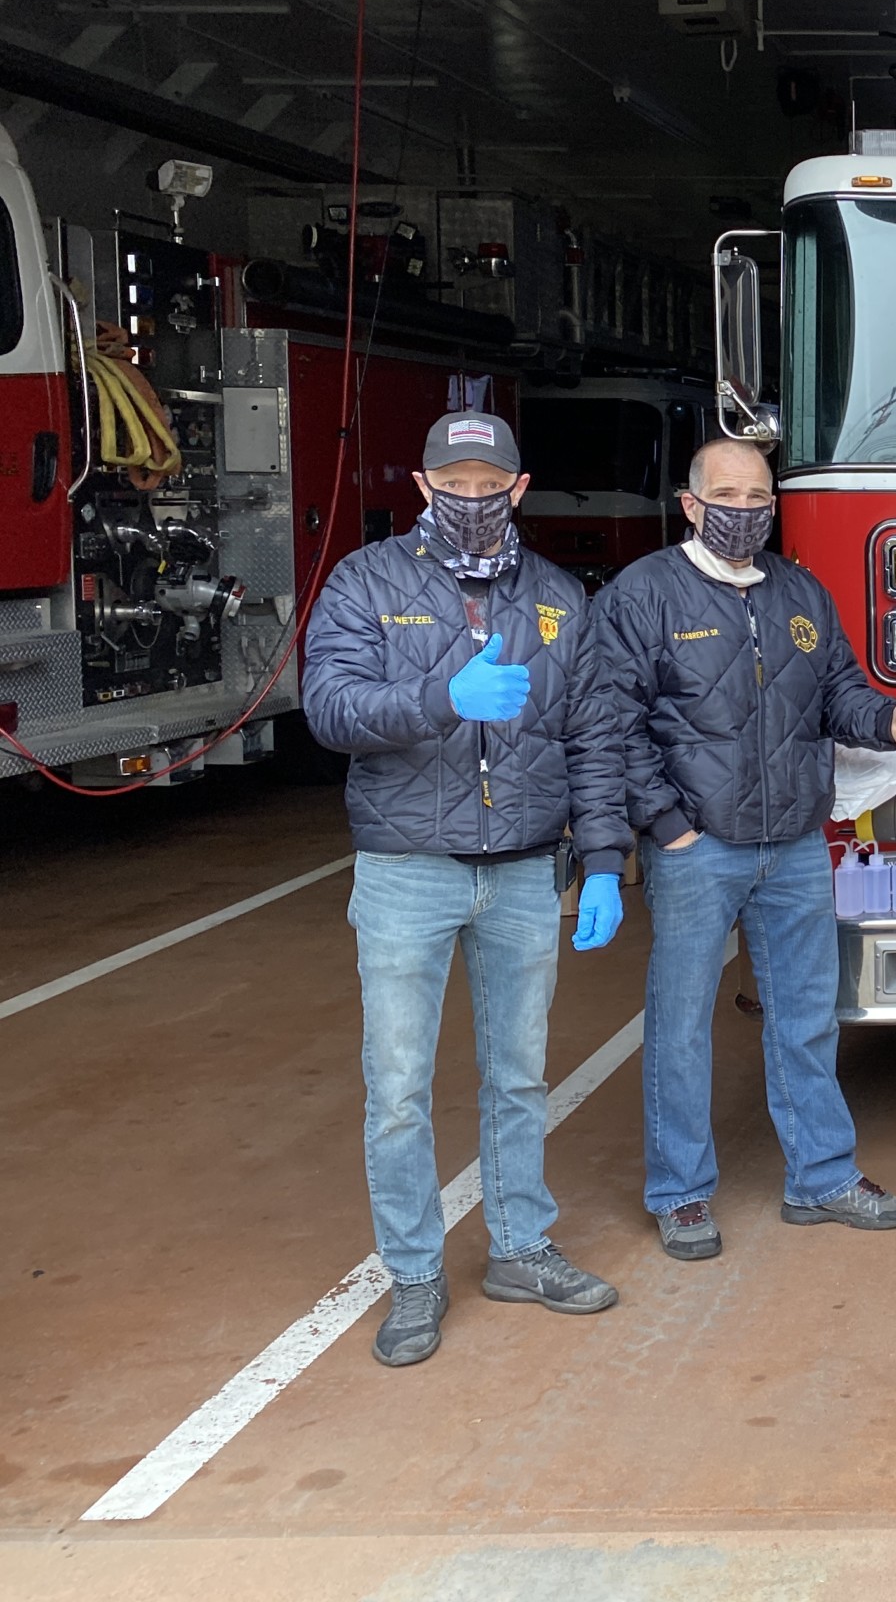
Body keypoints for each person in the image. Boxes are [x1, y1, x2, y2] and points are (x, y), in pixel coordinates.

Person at [303, 410, 632, 1368]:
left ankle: (520, 1247)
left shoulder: (562, 601)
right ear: (421, 485)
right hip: (408, 872)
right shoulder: (366, 583)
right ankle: (413, 1273)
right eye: (457, 484)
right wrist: (439, 699)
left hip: (526, 871)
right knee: (399, 1089)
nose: (474, 500)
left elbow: (595, 739)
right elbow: (329, 708)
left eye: (492, 486)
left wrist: (603, 861)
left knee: (519, 1076)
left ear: (520, 489)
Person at [594, 436, 896, 1261]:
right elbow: (613, 721)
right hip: (697, 849)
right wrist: (667, 825)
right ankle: (679, 1194)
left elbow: (839, 693)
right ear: (691, 504)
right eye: (729, 496)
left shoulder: (799, 592)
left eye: (758, 500)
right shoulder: (646, 595)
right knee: (680, 1027)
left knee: (806, 1021)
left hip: (790, 844)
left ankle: (822, 1178)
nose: (744, 512)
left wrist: (887, 721)